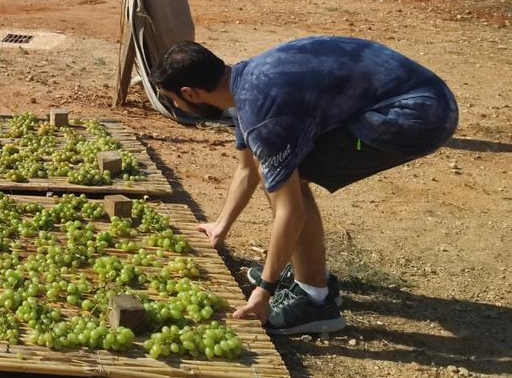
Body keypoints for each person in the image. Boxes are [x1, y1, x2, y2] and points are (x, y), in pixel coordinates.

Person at [151, 36, 458, 335]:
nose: (176, 106)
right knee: (278, 168)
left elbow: (291, 210)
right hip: (408, 94)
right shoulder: (245, 83)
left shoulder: (261, 113)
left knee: (291, 174)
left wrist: (264, 290)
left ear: (190, 94)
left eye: (173, 99)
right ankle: (307, 273)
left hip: (417, 113)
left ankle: (313, 298)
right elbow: (247, 168)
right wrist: (221, 224)